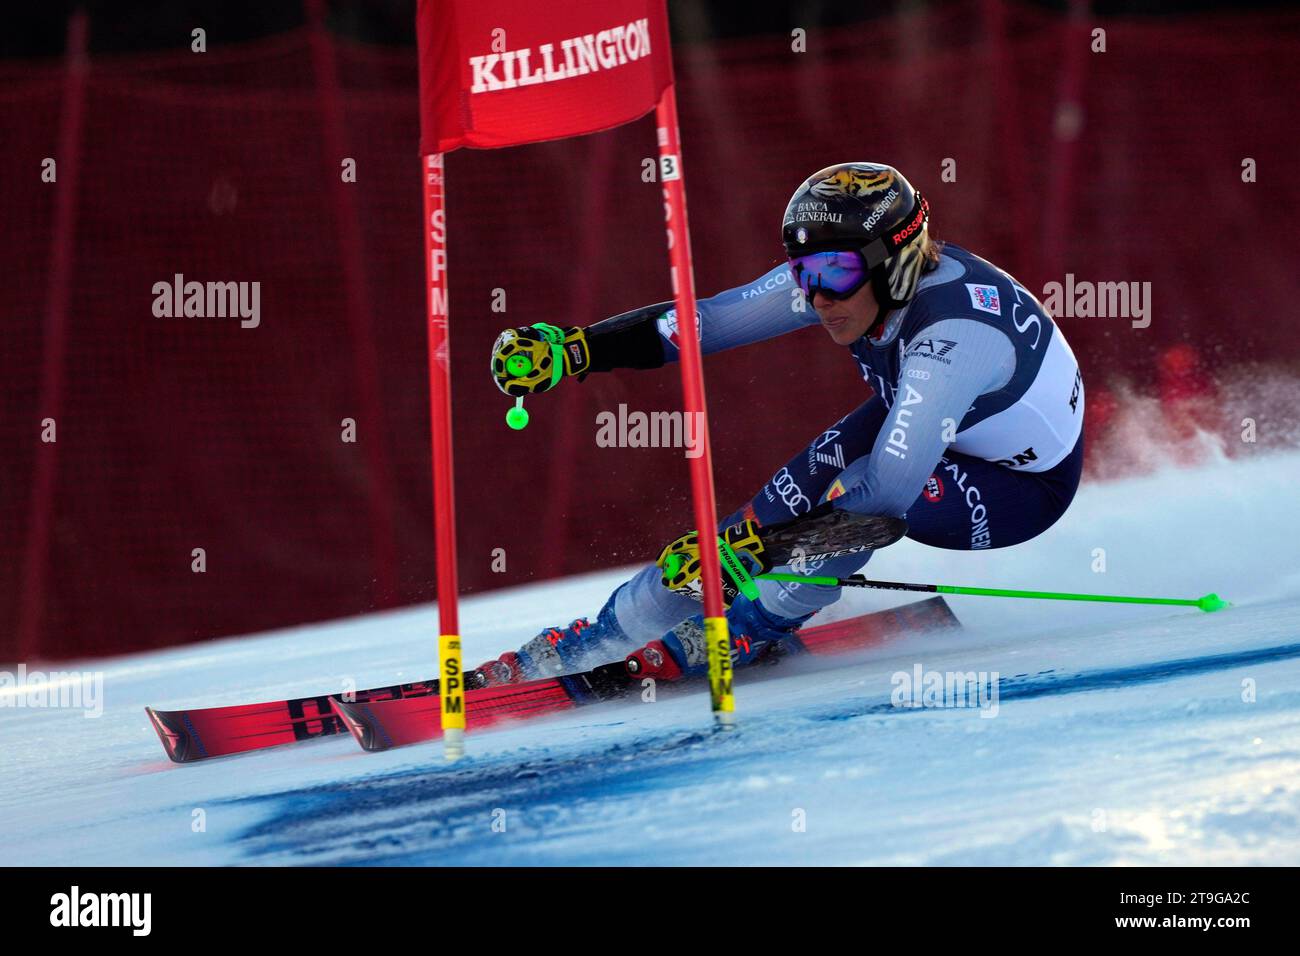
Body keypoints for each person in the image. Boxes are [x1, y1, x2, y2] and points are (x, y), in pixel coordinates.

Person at [474, 162, 1085, 686]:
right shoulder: (846, 276)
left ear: (893, 266)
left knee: (846, 492)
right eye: (803, 272)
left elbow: (888, 502)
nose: (817, 296)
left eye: (834, 274)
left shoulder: (951, 341)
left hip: (1017, 488)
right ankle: (604, 635)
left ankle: (754, 629)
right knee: (764, 512)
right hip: (942, 422)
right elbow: (707, 322)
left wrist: (756, 556)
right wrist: (577, 349)